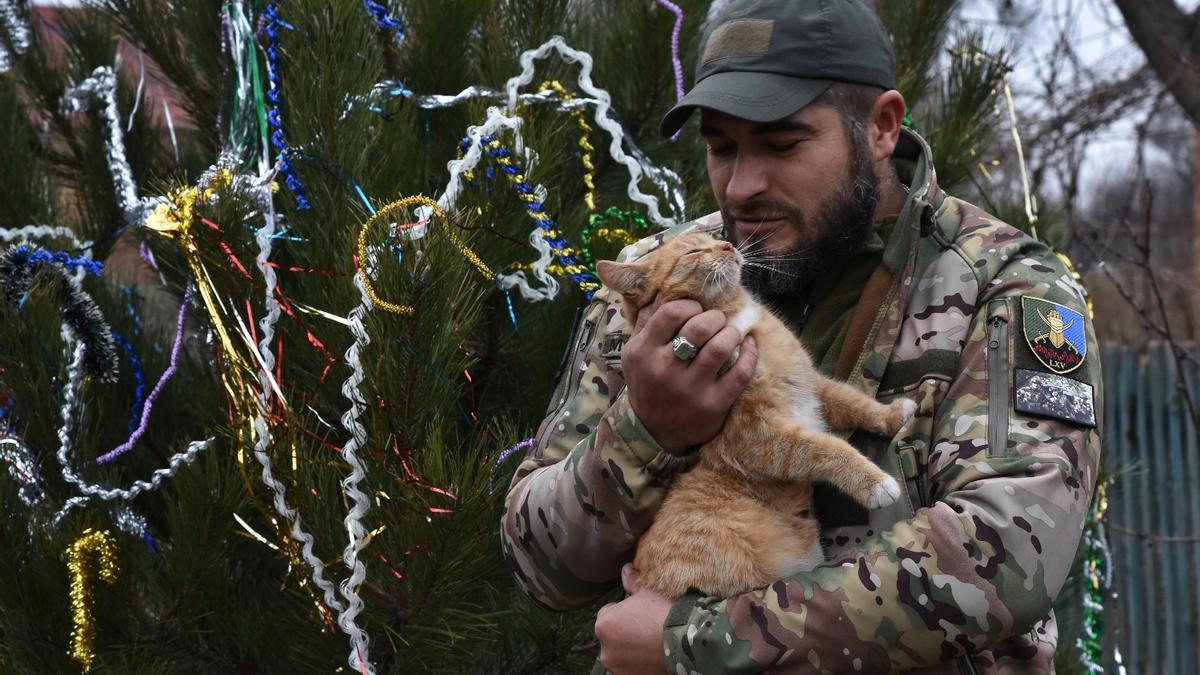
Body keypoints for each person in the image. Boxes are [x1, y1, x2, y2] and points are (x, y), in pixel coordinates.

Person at [500, 0, 1103, 672]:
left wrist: (697, 642)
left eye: (782, 145)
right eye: (721, 147)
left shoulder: (1003, 287)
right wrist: (648, 429)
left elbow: (1007, 555)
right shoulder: (658, 282)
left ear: (880, 127)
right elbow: (539, 562)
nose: (742, 185)